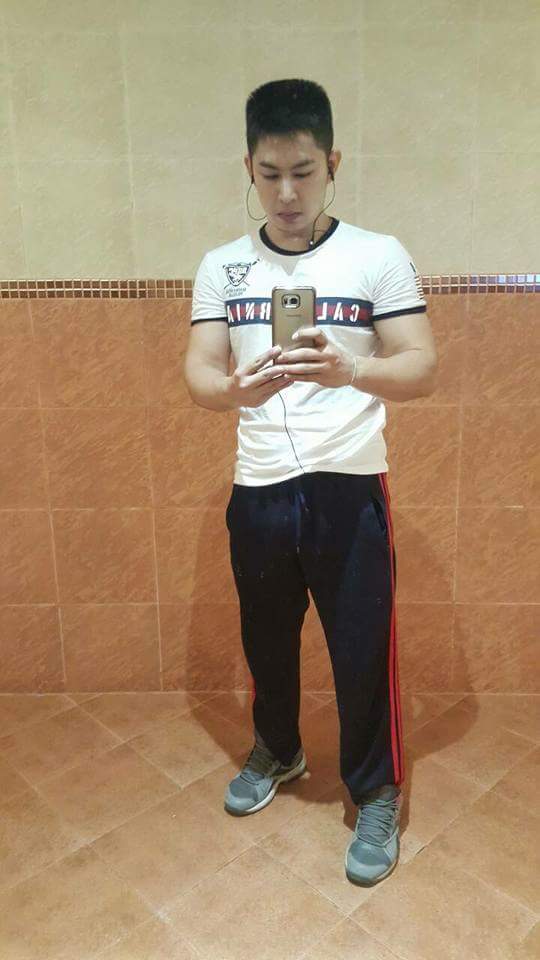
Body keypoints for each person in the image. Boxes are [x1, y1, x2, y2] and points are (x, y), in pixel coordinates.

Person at [184, 78, 438, 886]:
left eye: (303, 171)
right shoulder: (222, 267)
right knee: (266, 638)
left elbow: (421, 366)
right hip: (258, 485)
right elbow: (199, 372)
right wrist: (233, 391)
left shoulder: (376, 254)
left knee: (362, 648)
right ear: (248, 170)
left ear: (332, 163)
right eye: (270, 174)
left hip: (348, 485)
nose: (287, 193)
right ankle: (279, 748)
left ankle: (377, 791)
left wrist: (351, 370)